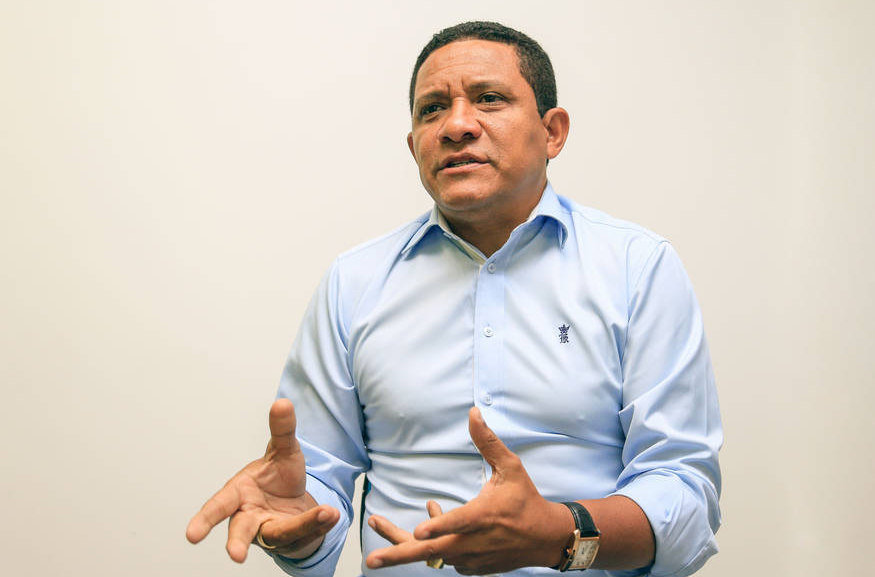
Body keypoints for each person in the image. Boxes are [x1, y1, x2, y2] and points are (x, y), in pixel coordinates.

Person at [186, 21, 722, 577]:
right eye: (432, 109)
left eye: (489, 99)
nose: (457, 125)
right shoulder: (354, 282)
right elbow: (314, 484)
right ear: (413, 145)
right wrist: (299, 524)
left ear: (552, 132)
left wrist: (557, 534)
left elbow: (685, 496)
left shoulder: (637, 268)